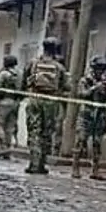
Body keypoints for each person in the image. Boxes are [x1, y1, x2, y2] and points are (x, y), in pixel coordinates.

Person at [22, 38, 70, 175]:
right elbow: (67, 86)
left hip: (35, 99)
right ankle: (41, 164)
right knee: (47, 133)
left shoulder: (33, 63)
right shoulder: (59, 67)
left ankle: (34, 163)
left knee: (34, 131)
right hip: (51, 102)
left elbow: (24, 80)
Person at [72, 55, 106, 180]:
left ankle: (95, 170)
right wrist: (95, 88)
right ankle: (75, 168)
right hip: (86, 114)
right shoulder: (85, 80)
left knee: (97, 143)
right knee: (81, 141)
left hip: (100, 116)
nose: (101, 71)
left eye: (103, 69)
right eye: (98, 68)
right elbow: (81, 94)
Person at [0, 55, 21, 160]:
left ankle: (3, 145)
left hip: (4, 101)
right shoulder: (19, 74)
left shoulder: (4, 73)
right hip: (15, 102)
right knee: (10, 127)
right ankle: (7, 150)